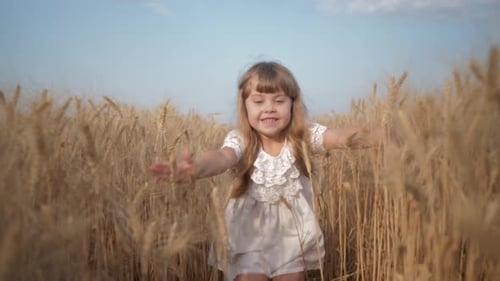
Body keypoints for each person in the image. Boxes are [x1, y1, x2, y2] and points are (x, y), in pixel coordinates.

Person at [150, 61, 383, 281]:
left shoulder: (303, 137)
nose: (269, 109)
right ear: (245, 107)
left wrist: (380, 135)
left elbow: (340, 137)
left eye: (279, 101)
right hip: (248, 235)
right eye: (259, 102)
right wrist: (196, 168)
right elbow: (222, 157)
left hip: (293, 236)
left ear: (293, 103)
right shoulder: (241, 140)